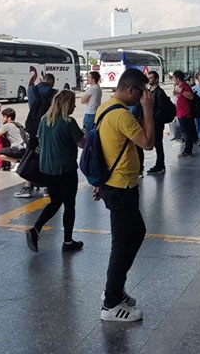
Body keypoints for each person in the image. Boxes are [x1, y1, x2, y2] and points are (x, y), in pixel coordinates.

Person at [96, 69, 156, 322]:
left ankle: (115, 289)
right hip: (121, 188)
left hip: (117, 184)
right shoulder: (122, 115)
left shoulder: (105, 108)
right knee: (122, 244)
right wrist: (148, 109)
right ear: (131, 90)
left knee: (135, 234)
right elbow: (148, 142)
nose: (142, 97)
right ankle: (110, 303)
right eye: (141, 92)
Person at [25, 90, 86, 253]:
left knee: (55, 201)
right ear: (66, 104)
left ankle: (36, 229)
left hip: (47, 169)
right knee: (69, 205)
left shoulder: (45, 120)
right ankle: (67, 242)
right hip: (65, 169)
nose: (74, 106)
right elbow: (82, 143)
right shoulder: (68, 121)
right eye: (72, 103)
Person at [17, 74, 57, 198]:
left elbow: (32, 107)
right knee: (47, 156)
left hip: (33, 127)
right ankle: (47, 188)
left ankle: (27, 186)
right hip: (48, 127)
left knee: (31, 155)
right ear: (51, 82)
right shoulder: (55, 93)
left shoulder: (31, 90)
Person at [145, 71, 169, 175]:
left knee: (158, 143)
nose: (149, 80)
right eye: (148, 78)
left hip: (157, 123)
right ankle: (159, 164)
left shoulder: (159, 92)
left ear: (156, 79)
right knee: (157, 144)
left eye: (151, 78)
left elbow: (161, 108)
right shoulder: (150, 91)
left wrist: (154, 119)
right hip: (153, 121)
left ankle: (160, 165)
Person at [173, 70, 197, 157]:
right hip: (180, 113)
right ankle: (187, 149)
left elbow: (191, 96)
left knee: (187, 132)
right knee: (186, 132)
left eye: (174, 78)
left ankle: (187, 150)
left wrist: (181, 91)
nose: (173, 80)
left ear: (178, 79)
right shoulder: (180, 86)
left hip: (184, 113)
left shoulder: (184, 86)